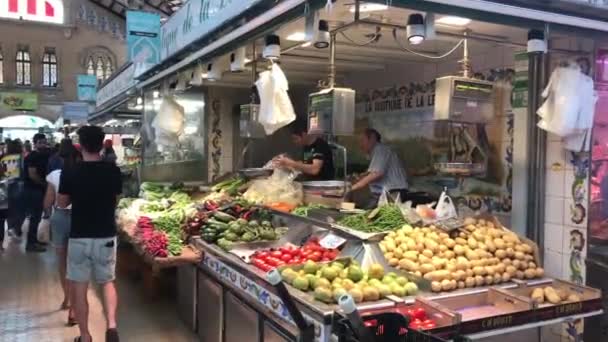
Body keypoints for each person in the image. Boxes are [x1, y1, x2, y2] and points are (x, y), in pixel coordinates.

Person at [58, 126, 122, 342]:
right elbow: (116, 199)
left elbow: (62, 202)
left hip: (80, 236)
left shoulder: (71, 171)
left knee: (79, 286)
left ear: (81, 145)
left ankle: (85, 336)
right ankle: (111, 327)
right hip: (106, 234)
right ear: (102, 143)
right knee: (107, 281)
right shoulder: (113, 170)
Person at [43, 138, 80, 325]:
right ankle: (75, 305)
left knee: (62, 261)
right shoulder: (81, 173)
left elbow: (48, 202)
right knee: (77, 262)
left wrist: (45, 214)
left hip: (59, 218)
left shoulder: (54, 175)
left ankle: (67, 297)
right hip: (79, 219)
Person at [349, 128, 408, 208]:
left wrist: (352, 188)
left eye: (363, 140)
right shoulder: (378, 151)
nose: (360, 144)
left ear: (372, 138)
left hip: (393, 193)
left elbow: (377, 173)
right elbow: (373, 171)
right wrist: (361, 176)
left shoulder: (380, 149)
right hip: (386, 193)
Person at [22, 133, 50, 252]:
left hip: (39, 189)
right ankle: (30, 244)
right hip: (33, 190)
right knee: (35, 217)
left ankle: (33, 240)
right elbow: (32, 175)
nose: (43, 145)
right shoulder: (32, 157)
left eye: (44, 142)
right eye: (40, 142)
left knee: (37, 217)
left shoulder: (44, 155)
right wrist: (45, 184)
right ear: (35, 143)